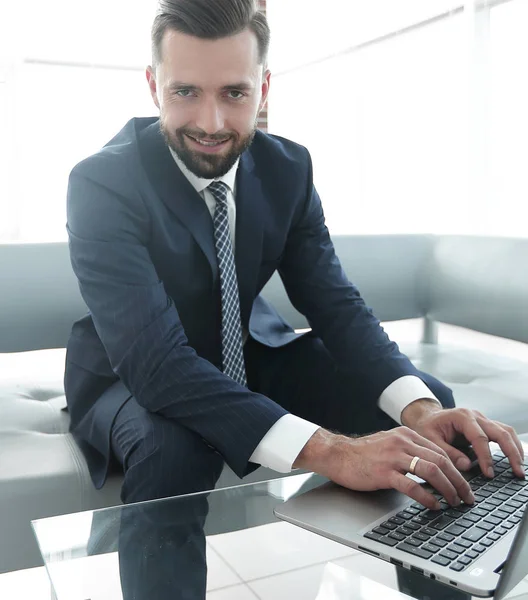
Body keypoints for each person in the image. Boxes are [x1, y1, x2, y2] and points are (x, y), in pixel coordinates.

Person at [64, 0, 525, 597]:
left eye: (234, 93)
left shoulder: (288, 168)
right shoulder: (101, 183)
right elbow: (157, 364)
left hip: (250, 355)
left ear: (264, 88)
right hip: (127, 374)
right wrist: (334, 453)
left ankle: (449, 579)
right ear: (153, 86)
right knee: (170, 447)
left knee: (429, 410)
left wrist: (419, 410)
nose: (211, 121)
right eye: (185, 92)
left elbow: (335, 304)